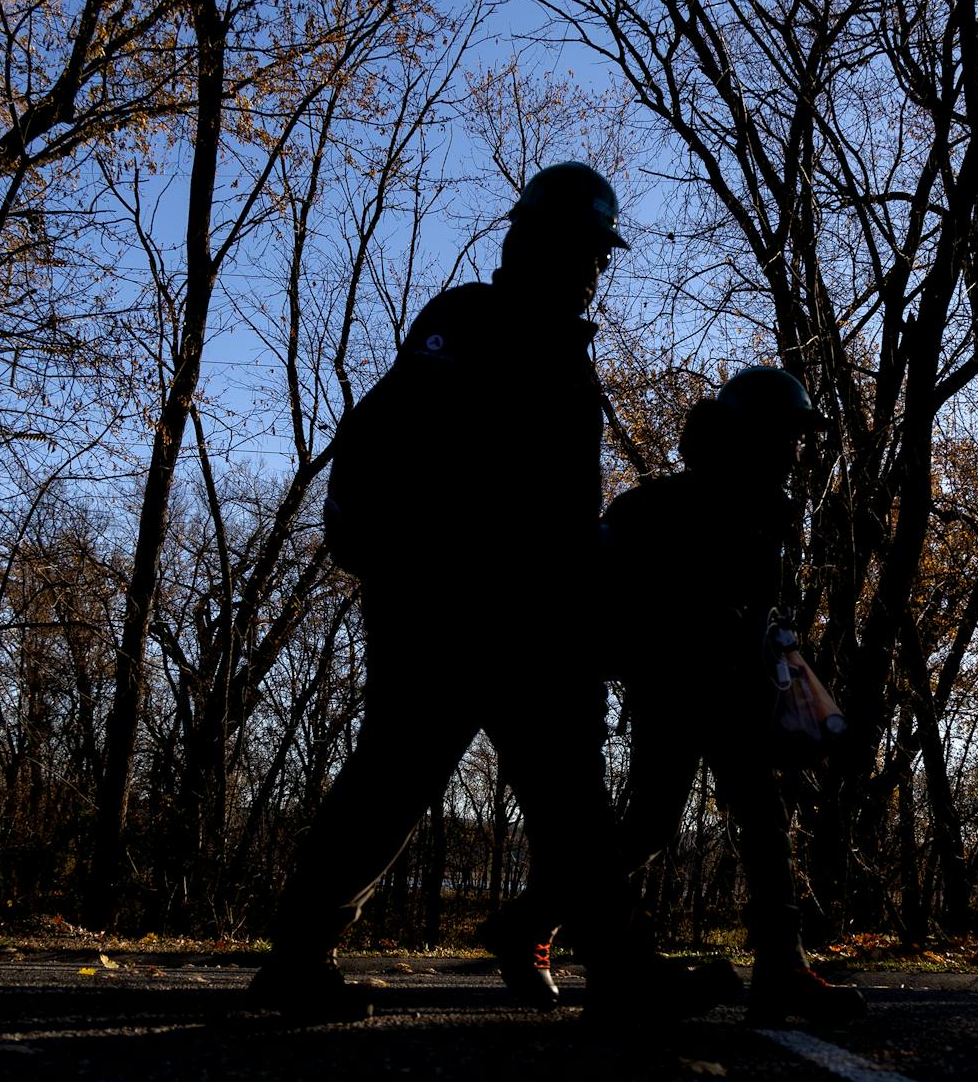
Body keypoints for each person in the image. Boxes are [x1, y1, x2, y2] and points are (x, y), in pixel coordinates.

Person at [256, 162, 713, 1021]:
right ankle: (296, 958)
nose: (592, 269)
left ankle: (619, 967)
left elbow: (562, 512)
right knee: (394, 778)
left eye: (599, 256)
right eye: (582, 250)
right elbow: (416, 456)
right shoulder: (467, 323)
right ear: (533, 241)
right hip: (446, 605)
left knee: (570, 792)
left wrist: (588, 594)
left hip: (538, 616)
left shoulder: (567, 354)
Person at [495, 367, 866, 1026]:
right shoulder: (665, 505)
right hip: (672, 687)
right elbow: (624, 608)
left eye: (799, 439)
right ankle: (530, 919)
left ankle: (781, 967)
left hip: (734, 689)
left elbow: (748, 610)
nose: (794, 450)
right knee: (652, 823)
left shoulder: (768, 509)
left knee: (759, 814)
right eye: (786, 434)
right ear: (749, 433)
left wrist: (778, 676)